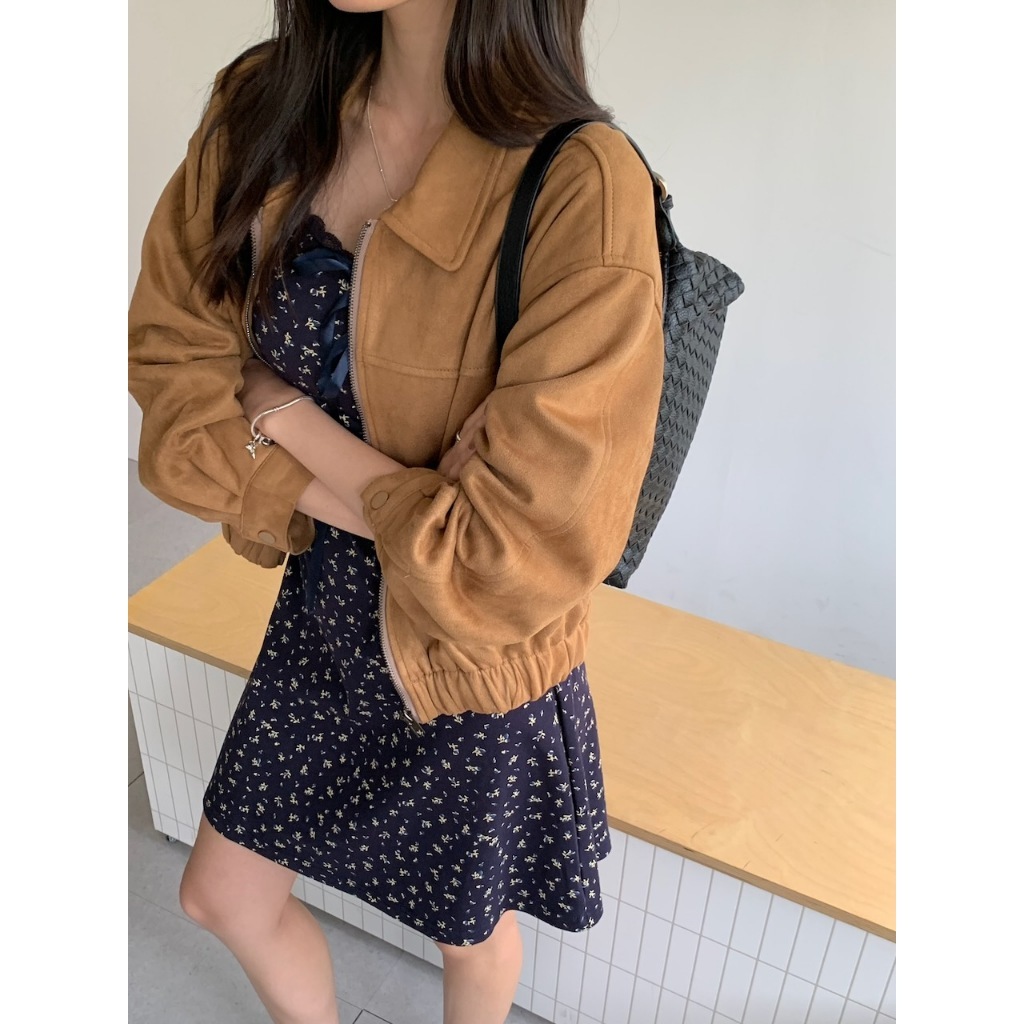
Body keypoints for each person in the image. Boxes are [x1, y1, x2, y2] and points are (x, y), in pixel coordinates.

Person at [128, 1, 664, 1021]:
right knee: (222, 893)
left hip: (471, 649)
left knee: (467, 929)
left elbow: (504, 554)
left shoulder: (581, 181)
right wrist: (412, 506)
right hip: (322, 610)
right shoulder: (266, 104)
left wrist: (274, 407)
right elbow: (172, 378)